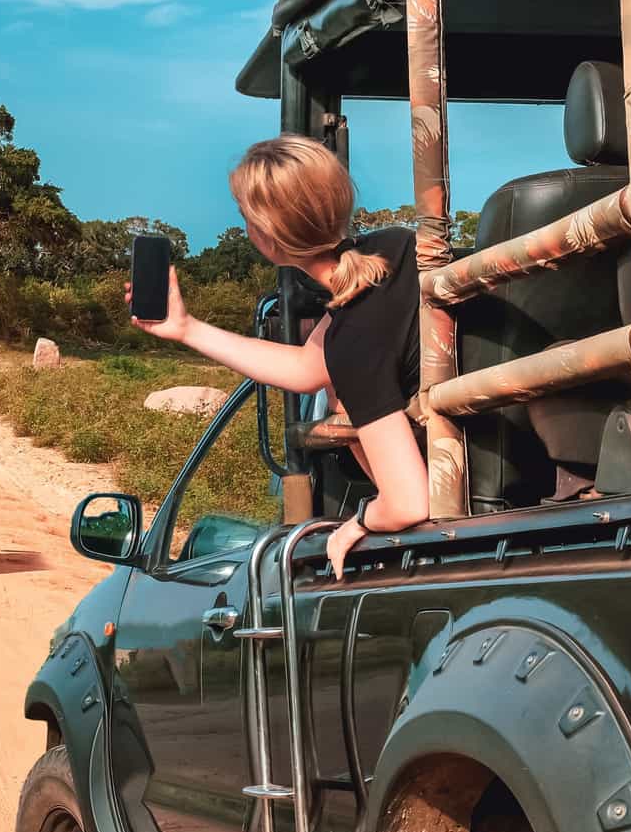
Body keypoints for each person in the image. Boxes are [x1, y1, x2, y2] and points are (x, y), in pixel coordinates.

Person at [129, 135, 430, 574]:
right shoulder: (399, 245)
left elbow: (407, 502)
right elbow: (306, 366)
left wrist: (359, 522)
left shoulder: (353, 340)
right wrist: (186, 329)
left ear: (267, 238)